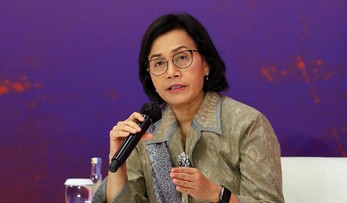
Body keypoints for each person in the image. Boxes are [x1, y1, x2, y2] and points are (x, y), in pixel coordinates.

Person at [93, 12, 284, 203]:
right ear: (149, 74)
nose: (171, 72)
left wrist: (217, 194)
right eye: (159, 63)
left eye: (182, 58)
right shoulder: (145, 131)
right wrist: (117, 160)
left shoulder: (247, 124)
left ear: (206, 64)